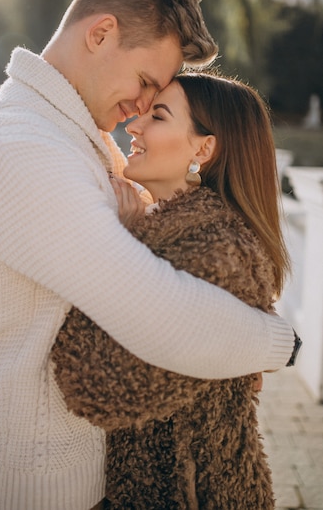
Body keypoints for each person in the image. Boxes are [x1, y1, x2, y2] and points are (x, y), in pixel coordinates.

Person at [0, 0, 297, 510]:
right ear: (102, 32)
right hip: (30, 487)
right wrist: (279, 343)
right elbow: (156, 313)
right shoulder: (25, 151)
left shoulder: (72, 134)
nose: (140, 108)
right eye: (144, 82)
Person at [52, 72, 295, 509]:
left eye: (157, 116)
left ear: (203, 149)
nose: (134, 126)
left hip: (195, 494)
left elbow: (101, 386)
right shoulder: (179, 230)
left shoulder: (218, 250)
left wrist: (118, 244)